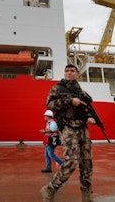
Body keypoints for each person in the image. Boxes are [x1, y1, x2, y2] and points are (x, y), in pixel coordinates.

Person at [40, 64, 96, 202]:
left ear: (77, 74)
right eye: (67, 71)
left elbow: (86, 109)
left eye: (72, 71)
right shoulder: (57, 88)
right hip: (67, 126)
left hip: (82, 128)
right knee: (71, 161)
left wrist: (89, 118)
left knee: (87, 162)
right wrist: (70, 101)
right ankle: (50, 189)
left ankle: (86, 193)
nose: (69, 73)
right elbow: (50, 104)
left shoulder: (82, 92)